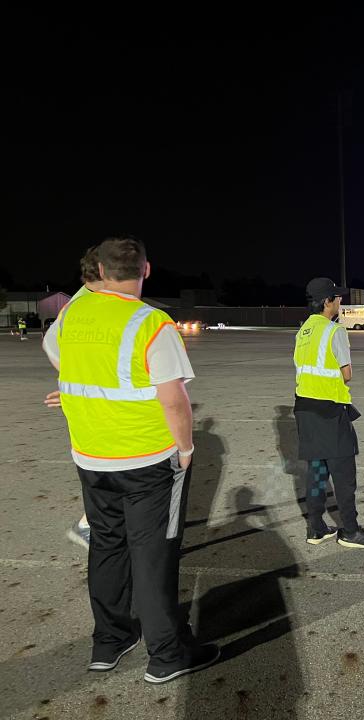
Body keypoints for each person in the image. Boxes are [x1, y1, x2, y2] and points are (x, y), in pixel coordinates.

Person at [41, 237, 219, 683]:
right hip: (145, 459)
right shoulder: (151, 323)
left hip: (91, 457)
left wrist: (75, 392)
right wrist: (186, 449)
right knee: (153, 555)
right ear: (146, 270)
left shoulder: (73, 314)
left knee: (106, 547)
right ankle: (166, 656)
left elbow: (56, 353)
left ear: (98, 272)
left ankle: (110, 640)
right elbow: (174, 400)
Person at [294, 277, 364, 549]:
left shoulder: (304, 330)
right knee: (344, 475)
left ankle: (316, 528)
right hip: (330, 411)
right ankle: (350, 531)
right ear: (327, 302)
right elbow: (347, 374)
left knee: (316, 472)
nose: (340, 301)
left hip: (304, 408)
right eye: (337, 297)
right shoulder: (335, 331)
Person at [59, 245, 105, 549]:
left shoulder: (90, 301)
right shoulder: (83, 304)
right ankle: (89, 524)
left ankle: (94, 523)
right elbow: (53, 345)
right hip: (96, 403)